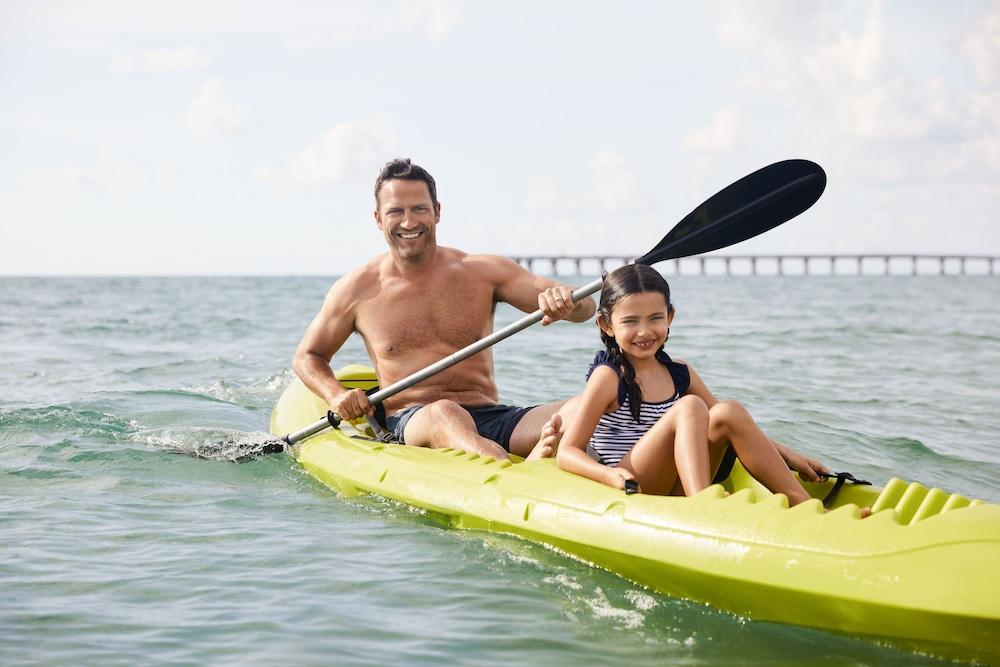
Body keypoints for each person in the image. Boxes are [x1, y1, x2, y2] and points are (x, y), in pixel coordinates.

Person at [292, 158, 596, 461]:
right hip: (414, 420)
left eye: (419, 209)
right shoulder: (357, 290)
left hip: (493, 417)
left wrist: (565, 301)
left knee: (583, 408)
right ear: (378, 218)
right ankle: (507, 470)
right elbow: (308, 356)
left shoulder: (481, 272)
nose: (408, 222)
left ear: (437, 212)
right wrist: (336, 394)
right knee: (444, 412)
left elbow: (585, 308)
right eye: (396, 211)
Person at [553, 263, 824, 504]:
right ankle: (703, 503)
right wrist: (608, 475)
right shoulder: (609, 377)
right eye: (630, 321)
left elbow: (737, 429)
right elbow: (567, 452)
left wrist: (789, 456)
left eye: (655, 318)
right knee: (691, 406)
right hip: (629, 485)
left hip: (674, 483)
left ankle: (802, 502)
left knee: (727, 411)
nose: (644, 331)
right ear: (606, 325)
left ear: (670, 316)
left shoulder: (681, 373)